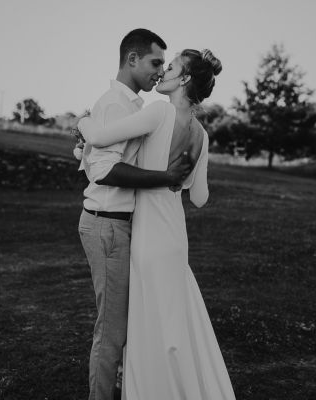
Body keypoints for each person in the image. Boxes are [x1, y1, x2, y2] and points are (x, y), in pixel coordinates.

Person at [78, 48, 236, 400]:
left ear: (184, 79)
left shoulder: (159, 112)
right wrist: (182, 174)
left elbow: (99, 138)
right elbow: (199, 197)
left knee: (148, 321)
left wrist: (83, 121)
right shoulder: (201, 134)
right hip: (175, 236)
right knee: (174, 319)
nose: (163, 72)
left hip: (148, 234)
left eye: (172, 67)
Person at [76, 29, 191, 400]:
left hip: (120, 225)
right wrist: (165, 178)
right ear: (132, 59)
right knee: (111, 330)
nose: (160, 71)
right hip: (107, 224)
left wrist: (83, 141)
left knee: (127, 322)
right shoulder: (115, 104)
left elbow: (92, 159)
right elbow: (103, 170)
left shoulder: (132, 107)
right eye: (156, 62)